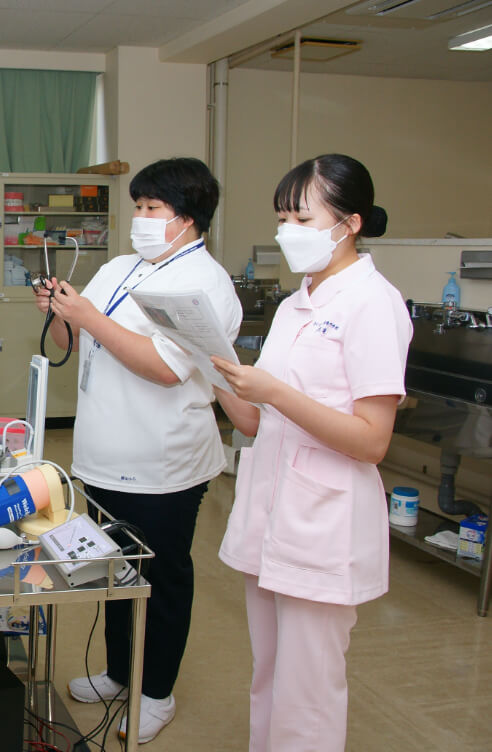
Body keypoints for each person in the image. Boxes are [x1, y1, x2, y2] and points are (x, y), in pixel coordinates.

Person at [34, 158, 241, 744]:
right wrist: (59, 313)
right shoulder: (122, 267)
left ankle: (157, 694)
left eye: (152, 209)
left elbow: (166, 368)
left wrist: (89, 318)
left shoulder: (204, 282)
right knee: (116, 571)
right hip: (103, 454)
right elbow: (72, 339)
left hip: (163, 465)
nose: (140, 218)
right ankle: (120, 672)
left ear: (187, 218)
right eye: (139, 206)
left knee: (161, 579)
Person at [212, 154, 411, 752]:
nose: (286, 232)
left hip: (323, 522)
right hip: (272, 510)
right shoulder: (297, 302)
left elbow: (372, 439)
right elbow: (253, 418)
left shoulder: (373, 303)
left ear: (349, 223)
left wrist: (274, 391)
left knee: (309, 691)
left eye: (301, 217)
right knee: (269, 676)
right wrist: (207, 363)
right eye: (281, 218)